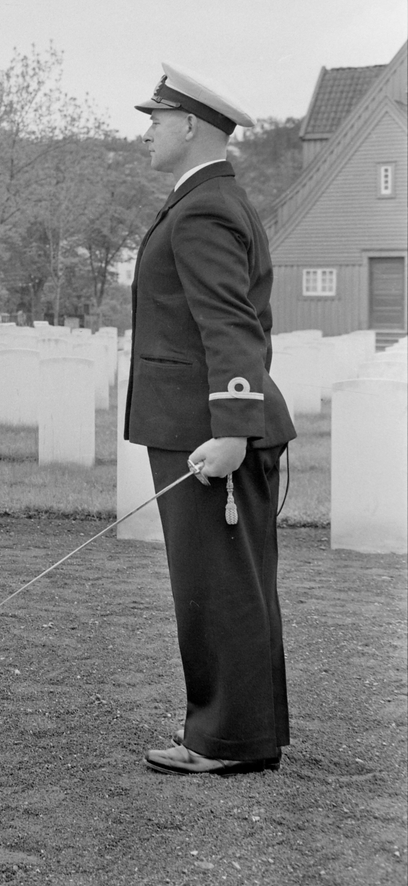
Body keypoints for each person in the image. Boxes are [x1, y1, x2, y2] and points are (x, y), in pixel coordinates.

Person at [124, 63, 296, 776]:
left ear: (190, 125)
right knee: (231, 581)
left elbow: (231, 325)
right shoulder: (208, 200)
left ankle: (224, 738)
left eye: (156, 119)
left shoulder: (204, 209)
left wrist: (229, 430)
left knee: (218, 583)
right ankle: (242, 732)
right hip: (204, 421)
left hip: (208, 428)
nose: (147, 133)